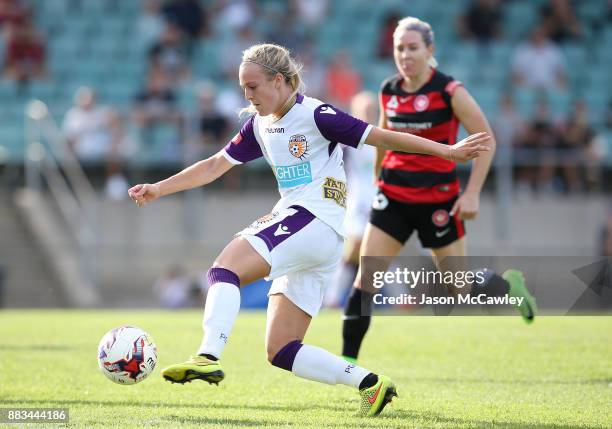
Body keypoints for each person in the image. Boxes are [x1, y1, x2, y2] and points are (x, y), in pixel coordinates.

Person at [128, 43, 490, 417]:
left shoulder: (316, 114)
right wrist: (159, 188)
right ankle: (370, 384)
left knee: (224, 269)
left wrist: (446, 152)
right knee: (281, 350)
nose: (247, 95)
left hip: (311, 219)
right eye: (242, 88)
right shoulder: (260, 125)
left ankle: (207, 355)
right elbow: (213, 165)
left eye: (253, 86)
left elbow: (383, 137)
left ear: (280, 80)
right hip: (319, 238)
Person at [341, 17, 537, 363]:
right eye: (399, 48)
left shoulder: (450, 91)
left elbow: (487, 140)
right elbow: (384, 138)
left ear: (430, 50)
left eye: (413, 48)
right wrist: (377, 178)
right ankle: (347, 367)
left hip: (438, 201)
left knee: (458, 288)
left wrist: (473, 191)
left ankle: (508, 286)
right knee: (365, 281)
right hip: (394, 197)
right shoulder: (389, 89)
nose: (405, 55)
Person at [324, 91, 378, 308]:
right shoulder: (349, 139)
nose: (367, 113)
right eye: (363, 109)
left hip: (378, 198)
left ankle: (334, 298)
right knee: (357, 248)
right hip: (357, 201)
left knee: (375, 249)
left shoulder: (381, 137)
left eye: (370, 109)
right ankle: (333, 297)